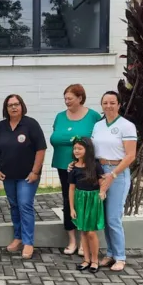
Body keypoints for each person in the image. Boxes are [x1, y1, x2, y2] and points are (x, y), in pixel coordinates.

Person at [50, 84, 102, 256]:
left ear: (80, 98)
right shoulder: (59, 116)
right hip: (63, 166)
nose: (67, 102)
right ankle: (72, 240)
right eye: (65, 98)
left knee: (82, 201)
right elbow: (56, 137)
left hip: (84, 167)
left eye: (70, 98)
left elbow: (97, 141)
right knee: (68, 200)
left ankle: (84, 242)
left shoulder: (93, 116)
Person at [0, 94, 47, 260]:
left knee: (25, 204)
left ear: (22, 106)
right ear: (6, 108)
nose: (14, 107)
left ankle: (28, 242)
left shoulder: (31, 124)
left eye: (17, 104)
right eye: (10, 105)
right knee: (14, 205)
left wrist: (35, 171)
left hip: (27, 176)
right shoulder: (1, 126)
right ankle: (18, 238)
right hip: (8, 175)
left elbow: (41, 149)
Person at [91, 91, 136, 272]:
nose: (108, 106)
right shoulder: (98, 126)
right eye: (105, 103)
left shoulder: (127, 126)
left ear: (119, 105)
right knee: (105, 217)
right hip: (101, 172)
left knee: (113, 218)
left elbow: (131, 155)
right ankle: (110, 253)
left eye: (112, 102)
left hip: (118, 173)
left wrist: (114, 174)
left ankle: (120, 257)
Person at [68, 137, 107, 274]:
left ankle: (95, 260)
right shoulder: (73, 168)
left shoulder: (95, 165)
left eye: (80, 148)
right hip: (80, 200)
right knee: (83, 231)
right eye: (75, 148)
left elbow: (102, 181)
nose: (76, 151)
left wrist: (102, 192)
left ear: (87, 150)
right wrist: (72, 208)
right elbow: (71, 189)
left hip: (93, 200)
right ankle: (86, 259)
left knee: (91, 232)